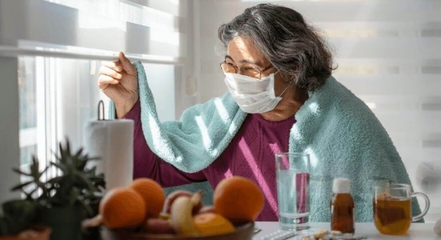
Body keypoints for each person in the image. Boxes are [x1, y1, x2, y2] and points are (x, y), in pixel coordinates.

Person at [98, 3, 421, 222]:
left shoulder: (348, 125)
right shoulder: (218, 126)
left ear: (293, 66)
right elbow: (150, 172)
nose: (236, 80)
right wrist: (128, 103)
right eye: (230, 66)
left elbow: (387, 218)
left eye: (249, 69)